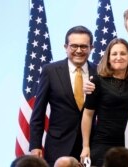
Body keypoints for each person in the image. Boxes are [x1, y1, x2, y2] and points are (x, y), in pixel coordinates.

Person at [29, 25, 97, 167]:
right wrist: (35, 145)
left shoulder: (99, 72)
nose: (79, 51)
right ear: (65, 47)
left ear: (92, 48)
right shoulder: (50, 71)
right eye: (74, 46)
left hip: (91, 147)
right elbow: (38, 112)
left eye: (84, 46)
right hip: (58, 146)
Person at [80, 38, 128, 167]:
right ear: (108, 58)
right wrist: (85, 146)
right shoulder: (96, 81)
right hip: (103, 145)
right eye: (114, 54)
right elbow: (88, 114)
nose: (118, 57)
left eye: (123, 53)